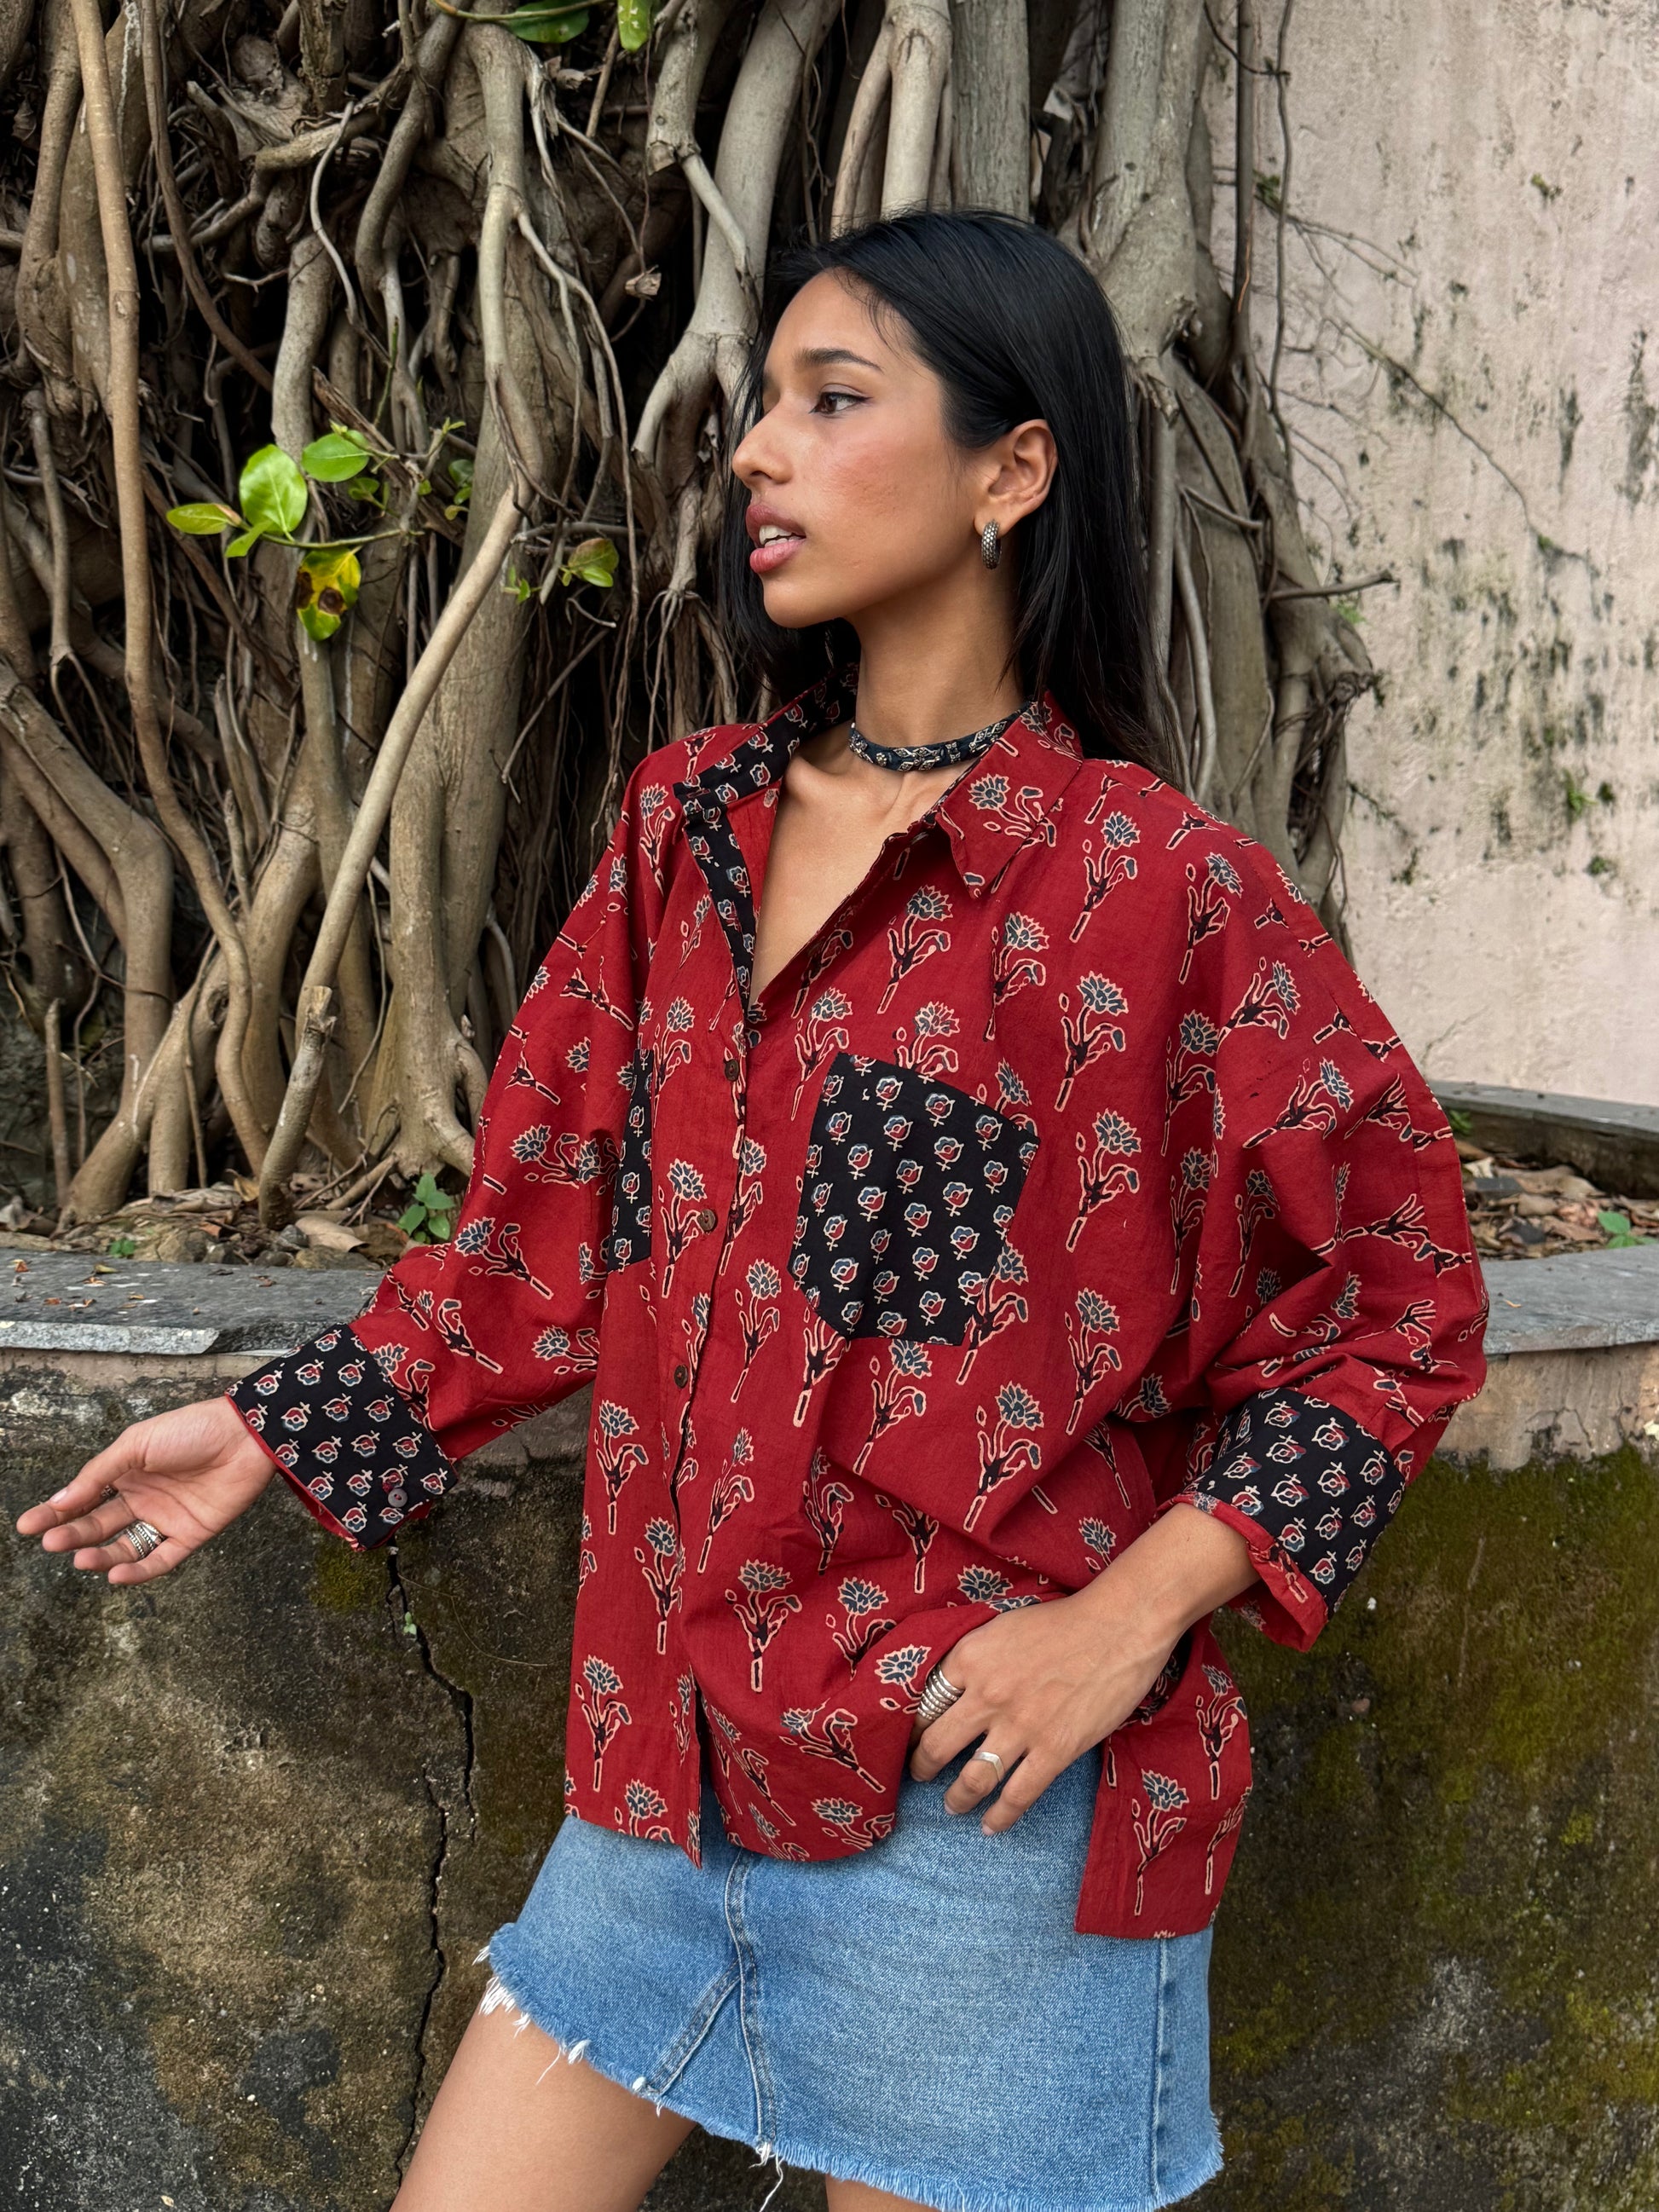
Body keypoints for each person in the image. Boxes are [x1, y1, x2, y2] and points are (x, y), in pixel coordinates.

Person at [17, 209, 1488, 2212]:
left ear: (1012, 468)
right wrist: (275, 1429)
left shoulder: (1160, 894)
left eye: (833, 399)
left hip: (976, 1813)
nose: (757, 451)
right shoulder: (680, 831)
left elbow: (1403, 1294)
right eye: (763, 403)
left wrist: (1123, 1621)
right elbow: (537, 1248)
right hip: (662, 1774)